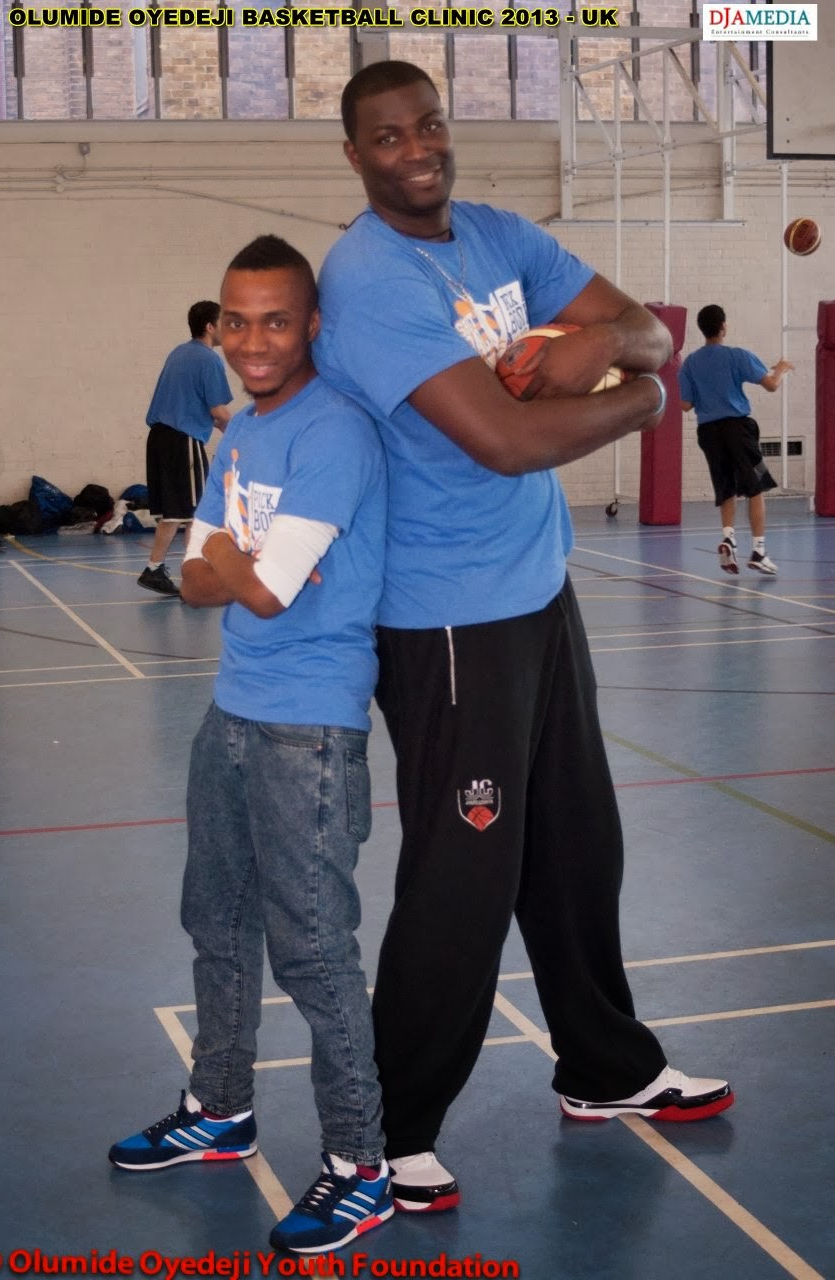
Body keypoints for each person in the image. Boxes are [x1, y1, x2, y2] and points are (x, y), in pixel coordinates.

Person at [314, 60, 734, 1215]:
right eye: (387, 136)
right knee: (464, 874)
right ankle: (382, 1131)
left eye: (428, 124)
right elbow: (503, 439)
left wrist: (594, 349)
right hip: (446, 615)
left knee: (577, 845)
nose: (416, 148)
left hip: (534, 589)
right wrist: (639, 398)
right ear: (354, 156)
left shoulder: (500, 235)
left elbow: (642, 325)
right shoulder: (369, 278)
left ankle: (605, 1063)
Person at [110, 236, 393, 1257]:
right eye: (237, 320)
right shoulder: (240, 436)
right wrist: (238, 559)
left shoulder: (335, 431)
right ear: (218, 326)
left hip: (309, 724)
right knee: (216, 921)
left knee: (311, 949)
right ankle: (220, 1107)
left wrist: (234, 557)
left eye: (276, 320)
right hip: (230, 707)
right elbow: (195, 577)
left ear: (310, 325)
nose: (253, 340)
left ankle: (360, 1164)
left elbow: (263, 590)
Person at [679, 304, 792, 576]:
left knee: (726, 488)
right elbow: (771, 385)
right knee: (755, 488)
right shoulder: (736, 355)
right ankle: (759, 551)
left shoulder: (690, 363)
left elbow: (685, 405)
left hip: (708, 433)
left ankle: (729, 538)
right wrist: (780, 369)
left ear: (702, 329)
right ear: (723, 326)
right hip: (737, 429)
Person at [138, 300, 233, 596]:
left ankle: (162, 569)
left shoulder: (178, 353)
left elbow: (203, 411)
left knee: (180, 512)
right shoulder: (208, 359)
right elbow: (218, 412)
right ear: (210, 327)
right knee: (191, 512)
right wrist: (244, 437)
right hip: (182, 441)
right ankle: (185, 574)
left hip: (160, 438)